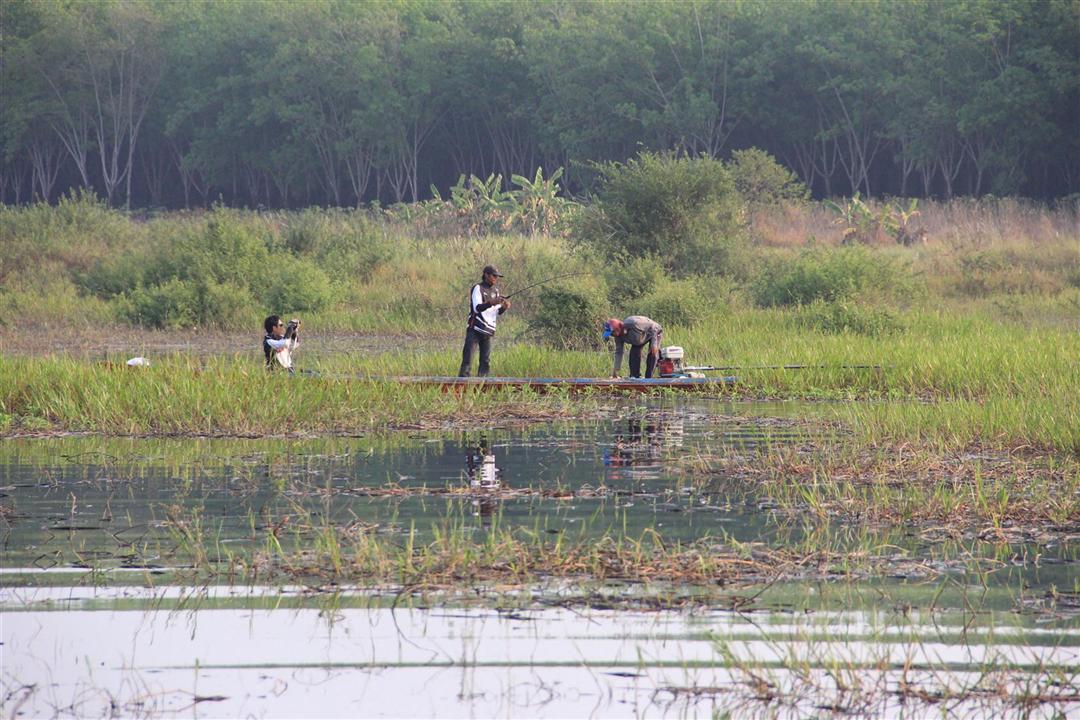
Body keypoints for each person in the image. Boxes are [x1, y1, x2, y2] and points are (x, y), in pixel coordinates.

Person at [458, 265, 511, 377]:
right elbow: (477, 308)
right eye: (494, 276)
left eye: (497, 277)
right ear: (486, 275)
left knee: (485, 361)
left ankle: (483, 384)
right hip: (475, 328)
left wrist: (504, 307)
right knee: (468, 359)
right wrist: (492, 302)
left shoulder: (496, 291)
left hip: (488, 331)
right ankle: (462, 383)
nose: (495, 278)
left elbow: (496, 312)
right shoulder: (478, 288)